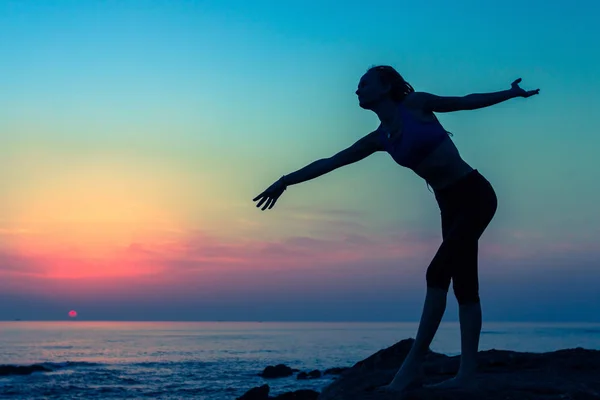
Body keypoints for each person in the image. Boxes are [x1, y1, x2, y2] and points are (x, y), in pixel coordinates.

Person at [252, 65, 539, 392]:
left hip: (475, 194)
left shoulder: (416, 104)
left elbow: (465, 101)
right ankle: (467, 376)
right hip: (448, 205)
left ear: (386, 86)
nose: (357, 90)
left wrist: (511, 93)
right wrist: (286, 181)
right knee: (465, 285)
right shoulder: (380, 138)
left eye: (364, 83)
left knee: (437, 273)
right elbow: (331, 161)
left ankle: (407, 373)